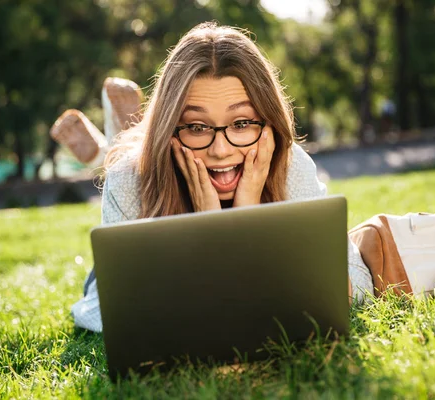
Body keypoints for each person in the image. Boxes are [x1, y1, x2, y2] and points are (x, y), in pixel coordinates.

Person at [65, 22, 374, 333]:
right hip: (129, 220)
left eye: (241, 123)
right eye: (197, 127)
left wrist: (244, 220)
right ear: (169, 129)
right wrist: (210, 230)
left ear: (268, 123)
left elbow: (356, 287)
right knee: (121, 160)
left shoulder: (291, 165)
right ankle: (120, 139)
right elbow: (103, 311)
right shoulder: (128, 182)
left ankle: (121, 132)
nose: (221, 149)